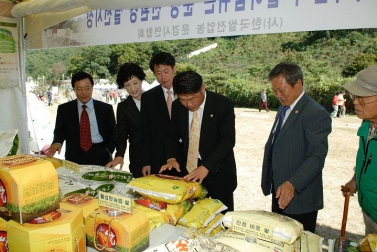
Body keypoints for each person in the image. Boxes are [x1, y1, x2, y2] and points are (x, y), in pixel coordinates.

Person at [261, 62, 332, 232]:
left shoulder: (315, 113)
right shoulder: (284, 107)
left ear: (298, 83)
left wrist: (292, 184)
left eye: (281, 90)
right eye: (274, 91)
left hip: (299, 196)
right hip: (280, 191)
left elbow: (316, 156)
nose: (278, 95)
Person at [160, 71, 237, 211]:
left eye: (192, 98)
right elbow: (172, 134)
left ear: (203, 88)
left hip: (217, 171)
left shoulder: (223, 104)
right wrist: (171, 157)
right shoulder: (177, 106)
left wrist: (206, 166)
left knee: (221, 217)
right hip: (188, 171)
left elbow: (227, 141)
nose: (188, 104)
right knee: (189, 215)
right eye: (183, 99)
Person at [45, 71, 117, 166]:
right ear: (74, 89)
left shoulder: (105, 108)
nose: (84, 93)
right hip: (74, 156)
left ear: (92, 88)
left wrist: (107, 151)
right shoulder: (64, 109)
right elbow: (60, 131)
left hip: (100, 154)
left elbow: (113, 133)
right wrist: (57, 142)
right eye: (79, 89)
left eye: (87, 88)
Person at [342, 65, 377, 236]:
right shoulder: (367, 124)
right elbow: (367, 160)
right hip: (370, 215)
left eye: (362, 97)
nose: (355, 101)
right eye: (355, 96)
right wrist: (356, 179)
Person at [140, 52, 177, 176]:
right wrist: (146, 161)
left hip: (186, 155)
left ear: (174, 69)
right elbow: (145, 132)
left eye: (166, 71)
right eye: (158, 73)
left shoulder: (187, 91)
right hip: (159, 157)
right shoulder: (148, 97)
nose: (163, 77)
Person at [105, 63, 144, 178]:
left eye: (135, 83)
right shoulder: (123, 107)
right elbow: (122, 134)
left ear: (141, 80)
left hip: (158, 156)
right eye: (127, 85)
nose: (132, 88)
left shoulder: (155, 99)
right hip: (138, 157)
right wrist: (119, 155)